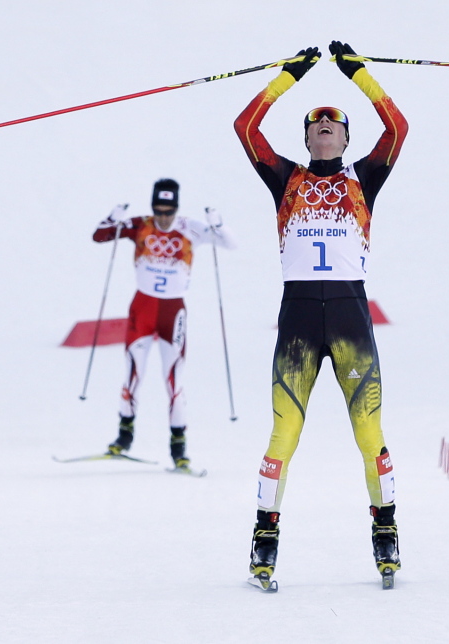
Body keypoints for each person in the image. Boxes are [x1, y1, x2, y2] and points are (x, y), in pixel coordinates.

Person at [233, 41, 408, 588]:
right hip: (300, 321)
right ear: (306, 137)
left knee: (368, 430)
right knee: (283, 435)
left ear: (347, 138)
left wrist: (359, 75)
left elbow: (398, 129)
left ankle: (386, 529)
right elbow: (244, 128)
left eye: (335, 121)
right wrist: (289, 76)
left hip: (351, 315)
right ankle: (265, 536)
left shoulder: (363, 179)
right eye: (315, 121)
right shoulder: (286, 179)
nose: (325, 123)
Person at [93, 178, 236, 472]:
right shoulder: (141, 224)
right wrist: (113, 216)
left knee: (173, 380)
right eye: (158, 210)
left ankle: (179, 450)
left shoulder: (190, 227)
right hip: (142, 309)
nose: (163, 217)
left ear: (176, 208)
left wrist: (217, 223)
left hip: (173, 313)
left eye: (168, 211)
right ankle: (123, 437)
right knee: (133, 372)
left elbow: (230, 244)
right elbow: (100, 236)